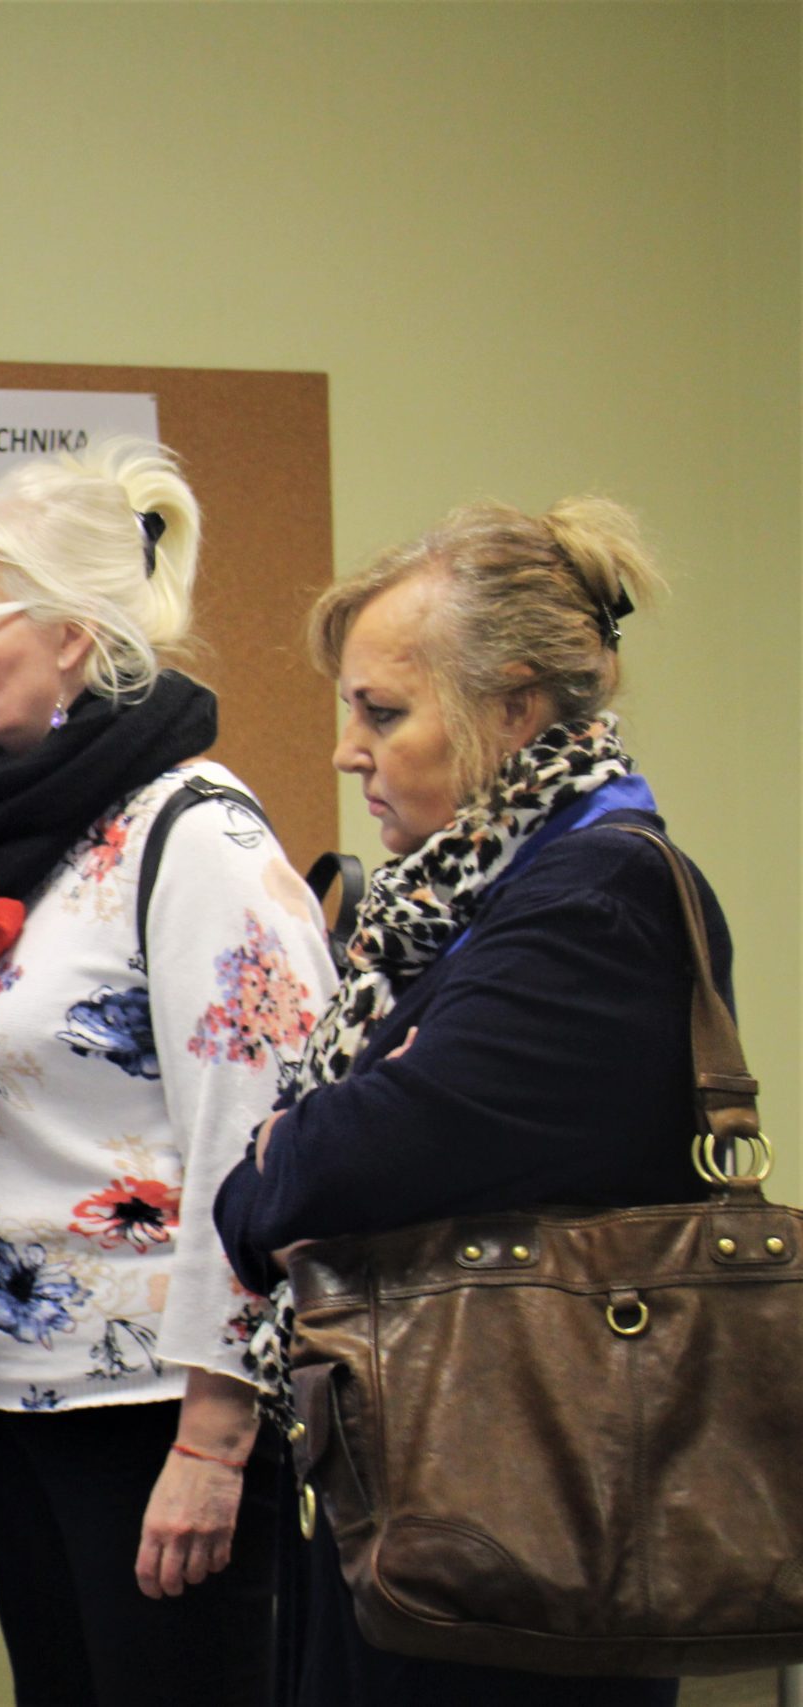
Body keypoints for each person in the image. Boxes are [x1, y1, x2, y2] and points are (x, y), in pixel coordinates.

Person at [0, 439, 334, 1707]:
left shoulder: (197, 838)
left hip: (163, 1411)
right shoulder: (8, 840)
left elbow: (264, 1151)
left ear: (68, 634)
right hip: (22, 1391)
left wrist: (214, 1442)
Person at [212, 497, 721, 1707]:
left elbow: (331, 1169)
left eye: (382, 712)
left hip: (521, 1543)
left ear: (513, 710)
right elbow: (368, 1137)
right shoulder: (464, 899)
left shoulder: (594, 899)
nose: (346, 751)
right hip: (447, 1501)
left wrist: (284, 1158)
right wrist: (331, 1129)